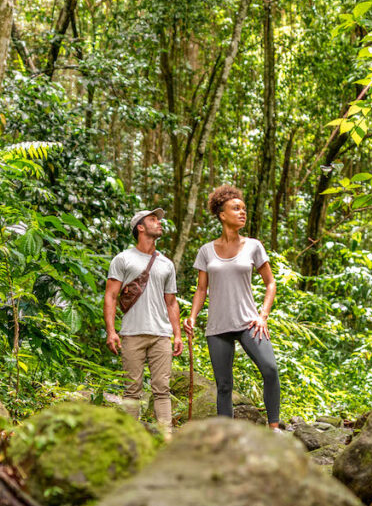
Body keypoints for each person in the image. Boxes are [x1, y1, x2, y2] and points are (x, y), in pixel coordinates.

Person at [183, 185, 281, 429]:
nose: (242, 213)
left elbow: (270, 283)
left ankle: (274, 428)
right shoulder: (206, 251)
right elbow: (201, 289)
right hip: (218, 327)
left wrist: (263, 315)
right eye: (236, 208)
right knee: (224, 385)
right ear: (221, 214)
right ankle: (227, 438)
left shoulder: (253, 246)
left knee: (270, 369)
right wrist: (193, 317)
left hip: (249, 322)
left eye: (244, 209)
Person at [104, 208, 183, 435]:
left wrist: (176, 334)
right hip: (132, 332)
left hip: (161, 334)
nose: (159, 223)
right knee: (132, 390)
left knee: (162, 390)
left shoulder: (166, 264)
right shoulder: (123, 259)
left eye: (158, 219)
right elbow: (110, 296)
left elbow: (171, 302)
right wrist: (111, 331)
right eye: (153, 219)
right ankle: (131, 439)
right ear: (140, 227)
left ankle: (166, 438)